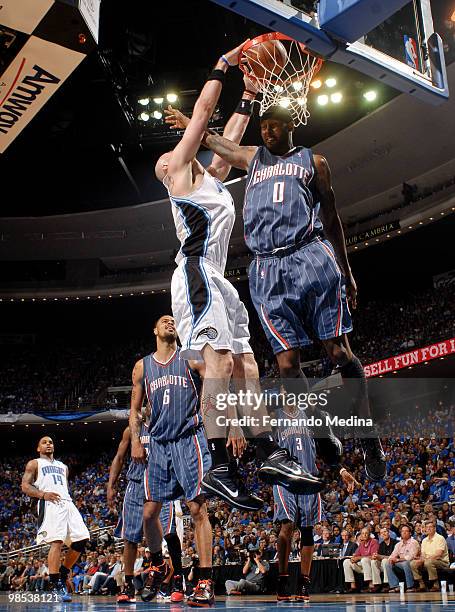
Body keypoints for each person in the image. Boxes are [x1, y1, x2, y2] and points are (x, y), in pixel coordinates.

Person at [172, 97, 387, 483]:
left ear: (291, 127)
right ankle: (322, 429)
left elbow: (332, 217)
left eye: (275, 125)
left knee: (338, 351)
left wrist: (347, 269)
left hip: (310, 257)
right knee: (287, 366)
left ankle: (368, 435)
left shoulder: (313, 162)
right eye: (264, 125)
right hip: (267, 268)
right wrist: (192, 124)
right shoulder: (253, 158)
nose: (268, 130)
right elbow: (219, 144)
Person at [158, 43, 323, 508]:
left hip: (220, 279)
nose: (172, 153)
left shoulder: (208, 176)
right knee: (218, 365)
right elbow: (205, 112)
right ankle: (219, 467)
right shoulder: (180, 178)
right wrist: (223, 64)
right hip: (195, 273)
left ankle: (269, 451)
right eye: (168, 156)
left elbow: (227, 133)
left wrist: (250, 93)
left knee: (248, 364)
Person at [129, 315, 214, 607]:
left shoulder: (189, 354)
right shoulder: (142, 366)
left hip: (188, 438)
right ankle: (158, 563)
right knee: (149, 514)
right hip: (159, 444)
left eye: (173, 320)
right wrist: (135, 440)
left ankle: (205, 580)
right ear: (154, 330)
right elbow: (135, 410)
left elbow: (212, 379)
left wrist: (206, 412)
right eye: (164, 320)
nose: (170, 322)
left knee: (197, 508)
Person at [271, 401, 359, 601]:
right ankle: (283, 579)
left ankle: (304, 583)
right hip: (285, 480)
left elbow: (325, 448)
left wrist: (342, 470)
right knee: (287, 526)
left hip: (309, 478)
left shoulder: (310, 415)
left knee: (308, 530)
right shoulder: (274, 415)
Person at [107, 420, 184, 603]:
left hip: (162, 483)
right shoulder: (133, 430)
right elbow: (118, 457)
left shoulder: (170, 424)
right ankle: (128, 584)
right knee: (130, 538)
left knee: (170, 533)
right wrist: (111, 484)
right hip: (136, 484)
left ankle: (178, 580)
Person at [21, 436, 90, 602]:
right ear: (39, 448)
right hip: (48, 502)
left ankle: (64, 572)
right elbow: (25, 486)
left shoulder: (63, 466)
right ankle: (54, 582)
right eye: (44, 442)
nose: (48, 444)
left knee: (82, 539)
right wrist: (43, 495)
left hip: (67, 502)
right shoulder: (34, 463)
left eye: (50, 442)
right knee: (57, 541)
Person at [410, 519, 450, 592]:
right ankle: (421, 584)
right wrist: (420, 559)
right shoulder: (424, 540)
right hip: (428, 561)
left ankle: (436, 584)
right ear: (424, 529)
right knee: (413, 563)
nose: (428, 528)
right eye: (427, 527)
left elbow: (438, 554)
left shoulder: (440, 538)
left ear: (434, 528)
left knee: (429, 562)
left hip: (442, 562)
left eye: (430, 527)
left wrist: (425, 559)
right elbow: (423, 555)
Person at [343, 528, 381, 593]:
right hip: (362, 566)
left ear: (369, 534)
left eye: (366, 533)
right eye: (363, 533)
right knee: (346, 561)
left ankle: (371, 584)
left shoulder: (374, 542)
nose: (365, 535)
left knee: (364, 560)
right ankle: (352, 585)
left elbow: (373, 556)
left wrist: (359, 558)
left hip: (371, 564)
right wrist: (353, 558)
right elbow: (356, 555)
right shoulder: (361, 543)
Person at [385, 524, 420, 592]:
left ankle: (411, 586)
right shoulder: (398, 544)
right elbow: (393, 555)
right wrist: (391, 559)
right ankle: (395, 586)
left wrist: (397, 559)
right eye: (402, 531)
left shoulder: (414, 542)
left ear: (410, 533)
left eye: (406, 531)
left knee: (405, 563)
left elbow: (411, 557)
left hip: (412, 562)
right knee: (388, 563)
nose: (404, 532)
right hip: (401, 563)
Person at [372, 526, 395, 591]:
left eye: (385, 532)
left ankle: (387, 583)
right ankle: (377, 584)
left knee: (385, 560)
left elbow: (394, 557)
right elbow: (379, 557)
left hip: (393, 563)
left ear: (389, 533)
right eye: (381, 533)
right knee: (373, 562)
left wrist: (381, 557)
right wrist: (376, 557)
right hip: (384, 565)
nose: (383, 534)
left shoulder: (395, 542)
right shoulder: (381, 545)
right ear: (380, 536)